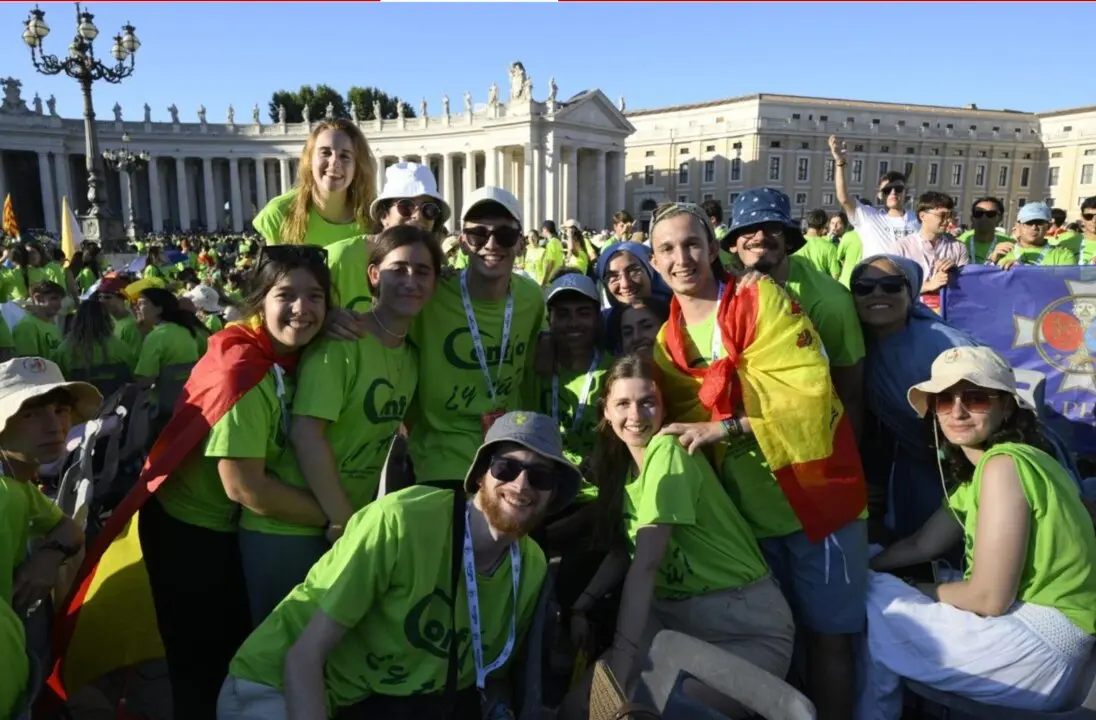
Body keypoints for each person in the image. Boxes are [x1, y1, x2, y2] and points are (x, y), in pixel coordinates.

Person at [647, 200, 866, 720]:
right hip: (746, 517)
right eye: (667, 249)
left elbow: (811, 390)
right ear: (654, 262)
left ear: (713, 247)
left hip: (819, 495)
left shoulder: (761, 297)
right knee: (774, 642)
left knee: (829, 639)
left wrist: (723, 426)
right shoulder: (666, 343)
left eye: (692, 243)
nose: (682, 258)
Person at [218, 411, 579, 720]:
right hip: (280, 686)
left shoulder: (529, 566)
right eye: (506, 467)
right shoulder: (402, 521)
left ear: (552, 495)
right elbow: (302, 659)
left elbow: (489, 677)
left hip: (382, 704)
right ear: (481, 474)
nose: (521, 484)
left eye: (541, 477)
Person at [137, 246, 333, 718]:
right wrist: (342, 517)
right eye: (286, 295)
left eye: (316, 297)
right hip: (193, 533)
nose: (302, 309)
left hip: (221, 528)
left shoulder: (281, 352)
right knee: (205, 668)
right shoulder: (240, 367)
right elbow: (246, 488)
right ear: (259, 300)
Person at [860, 346, 1096, 718]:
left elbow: (989, 599)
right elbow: (922, 545)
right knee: (874, 590)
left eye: (976, 397)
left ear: (1006, 407)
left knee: (872, 601)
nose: (957, 411)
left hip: (1039, 651)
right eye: (943, 399)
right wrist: (871, 565)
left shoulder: (1002, 466)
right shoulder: (1004, 465)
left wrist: (905, 587)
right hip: (1054, 646)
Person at [561, 355, 795, 719]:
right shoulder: (622, 466)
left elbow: (647, 563)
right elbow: (627, 549)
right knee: (577, 710)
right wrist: (582, 605)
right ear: (605, 411)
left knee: (644, 709)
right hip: (669, 623)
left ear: (664, 407)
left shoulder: (668, 451)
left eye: (647, 402)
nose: (635, 415)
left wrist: (621, 667)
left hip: (740, 629)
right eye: (623, 403)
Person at [290, 224, 442, 560]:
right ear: (373, 274)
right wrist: (344, 519)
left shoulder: (411, 355)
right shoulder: (342, 342)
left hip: (346, 521)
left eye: (422, 271)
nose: (410, 281)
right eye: (398, 269)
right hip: (295, 526)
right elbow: (305, 434)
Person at [404, 187, 545, 488]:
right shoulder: (429, 293)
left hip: (509, 452)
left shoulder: (532, 298)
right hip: (441, 459)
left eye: (505, 235)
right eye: (478, 234)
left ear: (521, 243)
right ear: (463, 242)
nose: (491, 244)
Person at [849, 254, 979, 541]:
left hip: (975, 464)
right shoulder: (856, 346)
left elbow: (990, 417)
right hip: (920, 464)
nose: (877, 293)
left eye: (892, 285)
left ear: (912, 292)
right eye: (864, 287)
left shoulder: (941, 344)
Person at [726, 188, 866, 438]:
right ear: (734, 245)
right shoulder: (720, 287)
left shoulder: (830, 301)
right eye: (748, 229)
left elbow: (849, 391)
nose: (759, 237)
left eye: (773, 228)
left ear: (789, 240)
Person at [0, 357, 95, 720]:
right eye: (29, 414)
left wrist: (48, 555)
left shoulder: (19, 485)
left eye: (60, 410)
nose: (54, 425)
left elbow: (67, 527)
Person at [325, 161, 450, 314]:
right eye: (405, 207)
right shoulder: (339, 256)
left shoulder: (433, 270)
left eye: (429, 210)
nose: (417, 216)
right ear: (384, 215)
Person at [253, 118, 377, 247]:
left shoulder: (373, 218)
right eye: (325, 153)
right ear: (309, 161)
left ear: (357, 167)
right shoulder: (279, 213)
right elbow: (275, 267)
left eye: (344, 156)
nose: (334, 162)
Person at [830, 136, 919, 257]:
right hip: (878, 275)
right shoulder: (869, 217)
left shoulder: (919, 220)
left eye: (898, 189)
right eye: (887, 190)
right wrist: (840, 163)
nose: (893, 192)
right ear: (880, 195)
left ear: (906, 192)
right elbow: (843, 198)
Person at [894, 191, 968, 313]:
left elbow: (966, 287)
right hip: (912, 316)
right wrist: (929, 285)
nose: (948, 220)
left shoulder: (958, 247)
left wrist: (954, 273)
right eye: (942, 215)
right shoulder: (902, 247)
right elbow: (894, 288)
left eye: (950, 215)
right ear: (923, 216)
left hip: (948, 316)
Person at [133, 288, 208, 387]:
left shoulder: (156, 337)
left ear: (158, 309)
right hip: (191, 394)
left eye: (141, 303)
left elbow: (145, 381)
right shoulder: (189, 330)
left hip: (163, 399)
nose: (136, 307)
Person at [52, 295, 136, 378]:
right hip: (116, 391)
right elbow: (133, 375)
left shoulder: (64, 350)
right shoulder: (120, 348)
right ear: (106, 319)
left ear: (77, 320)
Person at [991, 202, 1077, 269]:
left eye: (1039, 223)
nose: (1034, 227)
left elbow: (1065, 286)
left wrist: (1024, 271)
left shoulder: (1063, 255)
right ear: (1017, 226)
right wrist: (991, 262)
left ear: (1049, 226)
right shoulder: (1002, 251)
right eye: (1028, 223)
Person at [12, 281, 64, 359]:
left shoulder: (52, 326)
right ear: (38, 298)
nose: (59, 305)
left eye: (60, 300)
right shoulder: (27, 326)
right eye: (54, 298)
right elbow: (29, 364)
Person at [955, 197, 1012, 264]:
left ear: (1000, 218)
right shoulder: (958, 244)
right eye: (978, 213)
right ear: (972, 218)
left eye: (991, 214)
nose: (984, 218)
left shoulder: (1009, 245)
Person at [797, 208, 841, 279]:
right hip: (821, 288)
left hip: (797, 288)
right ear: (824, 225)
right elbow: (835, 275)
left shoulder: (795, 243)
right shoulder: (829, 247)